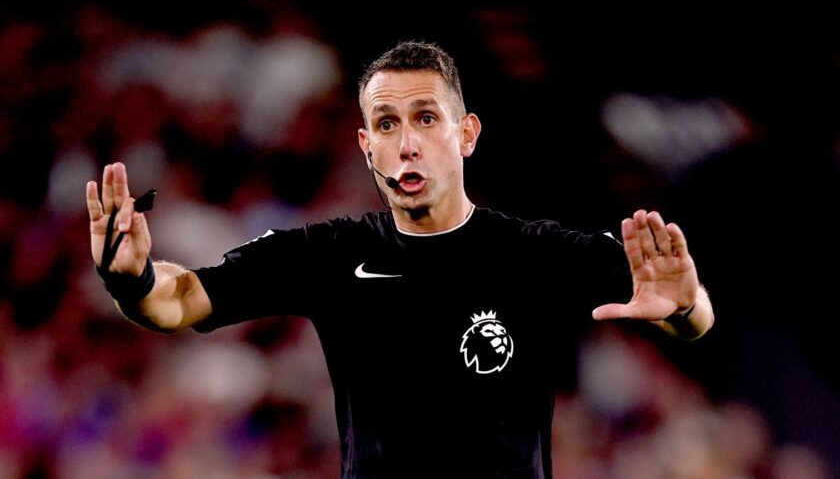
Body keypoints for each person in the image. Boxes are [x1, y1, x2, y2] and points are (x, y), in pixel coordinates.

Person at [86, 41, 713, 478]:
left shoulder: (539, 252)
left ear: (466, 133)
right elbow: (180, 299)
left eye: (424, 118)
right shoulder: (329, 254)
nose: (405, 144)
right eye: (385, 124)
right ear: (365, 146)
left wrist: (685, 305)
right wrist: (131, 278)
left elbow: (693, 320)